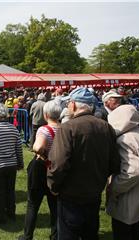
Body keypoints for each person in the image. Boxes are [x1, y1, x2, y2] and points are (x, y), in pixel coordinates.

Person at [47, 87, 120, 240]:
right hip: (94, 192)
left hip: (70, 196)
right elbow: (114, 162)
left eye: (68, 104)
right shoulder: (106, 127)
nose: (67, 107)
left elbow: (58, 163)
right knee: (90, 233)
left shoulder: (68, 127)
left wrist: (53, 185)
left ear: (73, 105)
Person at [106, 105, 139, 240]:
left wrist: (113, 189)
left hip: (129, 194)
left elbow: (131, 173)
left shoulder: (124, 140)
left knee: (123, 230)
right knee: (136, 228)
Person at [19, 100, 62, 240]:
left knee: (33, 204)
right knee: (55, 205)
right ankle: (55, 235)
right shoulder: (64, 129)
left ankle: (27, 236)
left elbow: (37, 147)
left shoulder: (44, 129)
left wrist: (41, 153)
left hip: (41, 168)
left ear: (46, 114)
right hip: (56, 169)